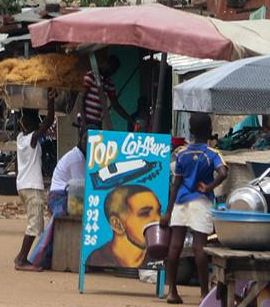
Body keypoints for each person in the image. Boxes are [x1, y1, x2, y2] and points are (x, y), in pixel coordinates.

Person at [164, 114, 226, 306]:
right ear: (209, 131)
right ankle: (204, 293)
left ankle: (172, 291)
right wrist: (209, 187)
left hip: (181, 201)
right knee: (200, 247)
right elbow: (223, 172)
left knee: (174, 247)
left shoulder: (181, 153)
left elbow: (176, 183)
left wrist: (167, 212)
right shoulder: (212, 154)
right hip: (201, 201)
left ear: (190, 131)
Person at [84, 185, 162, 271]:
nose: (158, 220)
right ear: (117, 224)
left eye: (159, 212)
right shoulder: (97, 259)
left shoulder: (157, 258)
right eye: (144, 213)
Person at [34, 142, 85, 270]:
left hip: (68, 194)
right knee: (59, 220)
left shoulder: (82, 156)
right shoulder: (76, 159)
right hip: (59, 196)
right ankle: (41, 257)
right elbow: (80, 185)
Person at [12, 110, 49, 270]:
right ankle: (21, 259)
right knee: (34, 225)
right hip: (32, 186)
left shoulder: (20, 138)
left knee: (36, 223)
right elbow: (49, 121)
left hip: (22, 185)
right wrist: (51, 101)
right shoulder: (32, 139)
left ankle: (22, 257)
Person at [79, 51, 130, 134]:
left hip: (98, 123)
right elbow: (81, 99)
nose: (113, 72)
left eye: (114, 70)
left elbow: (116, 105)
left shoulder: (109, 83)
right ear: (106, 63)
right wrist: (83, 122)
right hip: (86, 121)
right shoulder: (90, 76)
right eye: (112, 68)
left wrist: (131, 120)